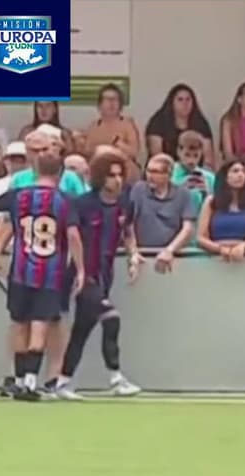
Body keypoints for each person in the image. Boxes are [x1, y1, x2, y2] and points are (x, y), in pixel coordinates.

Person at [0, 151, 85, 401]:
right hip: (51, 273)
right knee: (40, 325)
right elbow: (73, 236)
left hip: (21, 271)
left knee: (19, 323)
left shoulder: (18, 196)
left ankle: (19, 379)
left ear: (34, 170)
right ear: (61, 173)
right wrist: (80, 268)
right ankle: (31, 382)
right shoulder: (65, 200)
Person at [53, 148, 142, 400]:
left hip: (105, 273)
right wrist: (79, 271)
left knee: (82, 329)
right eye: (111, 175)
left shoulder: (126, 203)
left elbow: (128, 232)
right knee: (111, 317)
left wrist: (133, 255)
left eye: (120, 175)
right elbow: (71, 236)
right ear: (100, 177)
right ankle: (116, 377)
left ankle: (63, 382)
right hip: (83, 273)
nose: (117, 180)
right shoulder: (82, 204)